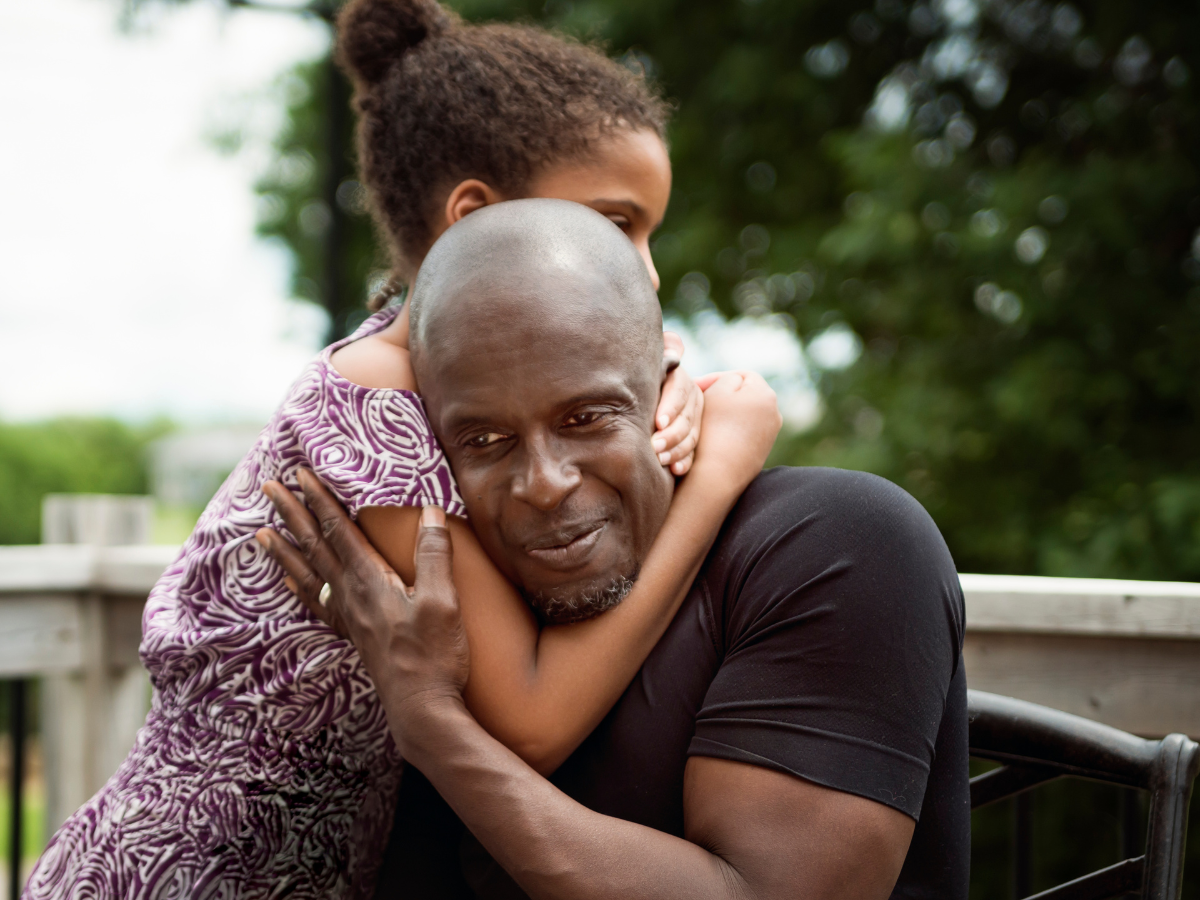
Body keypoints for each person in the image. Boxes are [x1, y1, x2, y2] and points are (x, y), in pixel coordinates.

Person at [22, 2, 783, 897]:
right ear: (472, 216)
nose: (646, 272)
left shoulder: (454, 385)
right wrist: (722, 471)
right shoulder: (374, 401)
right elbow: (532, 720)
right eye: (618, 226)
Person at [263, 199, 970, 900]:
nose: (543, 484)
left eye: (586, 418)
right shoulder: (455, 608)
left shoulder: (837, 543)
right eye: (484, 441)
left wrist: (431, 721)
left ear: (667, 387)